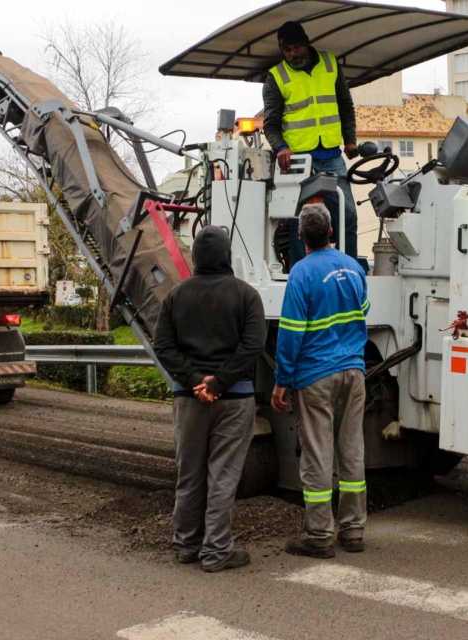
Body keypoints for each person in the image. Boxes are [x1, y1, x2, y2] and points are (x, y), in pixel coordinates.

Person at [154, 226, 267, 573]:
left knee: (189, 473)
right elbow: (253, 345)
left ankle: (186, 545)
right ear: (227, 256)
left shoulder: (176, 295)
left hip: (189, 400)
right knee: (223, 476)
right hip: (234, 401)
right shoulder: (246, 295)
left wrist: (194, 381)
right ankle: (217, 551)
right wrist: (219, 383)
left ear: (196, 258)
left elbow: (163, 347)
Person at [271, 205, 370, 558]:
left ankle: (318, 536)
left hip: (315, 375)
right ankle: (353, 530)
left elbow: (291, 332)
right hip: (354, 372)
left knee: (317, 455)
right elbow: (364, 309)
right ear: (331, 232)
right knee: (352, 450)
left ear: (301, 236)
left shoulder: (301, 274)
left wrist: (282, 380)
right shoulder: (353, 267)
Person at [262, 20, 360, 265]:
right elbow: (270, 124)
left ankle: (348, 267)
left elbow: (345, 105)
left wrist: (350, 140)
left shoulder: (330, 64)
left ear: (306, 43)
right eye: (287, 51)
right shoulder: (276, 77)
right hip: (297, 160)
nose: (292, 54)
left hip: (332, 155)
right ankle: (300, 271)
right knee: (299, 220)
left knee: (347, 215)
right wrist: (281, 148)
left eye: (296, 47)